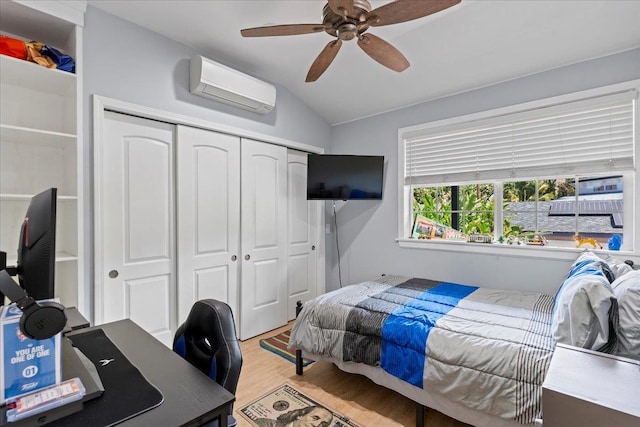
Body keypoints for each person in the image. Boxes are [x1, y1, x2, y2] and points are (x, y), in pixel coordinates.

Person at [254, 405, 333, 427]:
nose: (316, 425)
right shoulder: (266, 424)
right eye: (315, 418)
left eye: (323, 424)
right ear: (300, 415)